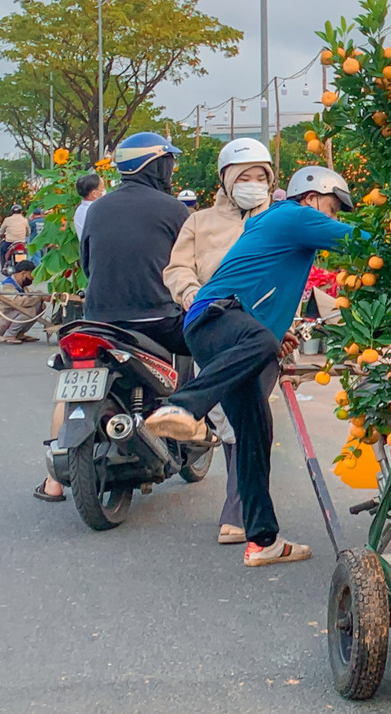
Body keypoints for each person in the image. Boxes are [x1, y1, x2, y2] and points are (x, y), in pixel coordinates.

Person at [147, 166, 355, 567]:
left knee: (255, 433)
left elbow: (259, 287)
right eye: (332, 209)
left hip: (219, 330)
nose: (332, 218)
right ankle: (183, 406)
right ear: (312, 198)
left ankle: (263, 540)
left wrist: (275, 334)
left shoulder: (277, 226)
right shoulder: (296, 215)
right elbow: (365, 243)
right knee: (261, 342)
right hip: (219, 316)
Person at [163, 138, 276, 545]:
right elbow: (177, 268)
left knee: (246, 415)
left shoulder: (278, 218)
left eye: (260, 177)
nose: (253, 184)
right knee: (234, 419)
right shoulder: (199, 222)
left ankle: (240, 515)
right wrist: (189, 292)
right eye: (244, 177)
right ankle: (249, 520)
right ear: (226, 180)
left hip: (263, 330)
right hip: (213, 324)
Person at [79, 133, 191, 356]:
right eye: (168, 164)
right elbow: (190, 264)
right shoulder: (174, 208)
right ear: (156, 167)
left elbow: (87, 265)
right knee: (212, 341)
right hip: (159, 320)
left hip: (99, 320)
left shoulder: (96, 208)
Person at [0, 258, 47, 345]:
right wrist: (39, 297)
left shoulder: (21, 286)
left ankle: (19, 333)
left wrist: (41, 296)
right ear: (23, 273)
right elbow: (19, 302)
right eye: (31, 275)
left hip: (10, 317)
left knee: (41, 306)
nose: (32, 279)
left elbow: (32, 296)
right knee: (30, 310)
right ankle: (9, 335)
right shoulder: (6, 286)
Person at [0, 204, 29, 273]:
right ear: (21, 211)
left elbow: (1, 231)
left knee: (2, 250)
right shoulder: (24, 220)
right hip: (22, 242)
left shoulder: (7, 220)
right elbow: (28, 231)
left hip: (9, 242)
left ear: (12, 212)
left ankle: (4, 267)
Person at [73, 174, 104, 239]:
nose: (104, 190)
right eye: (102, 187)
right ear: (94, 193)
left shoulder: (80, 210)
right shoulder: (95, 211)